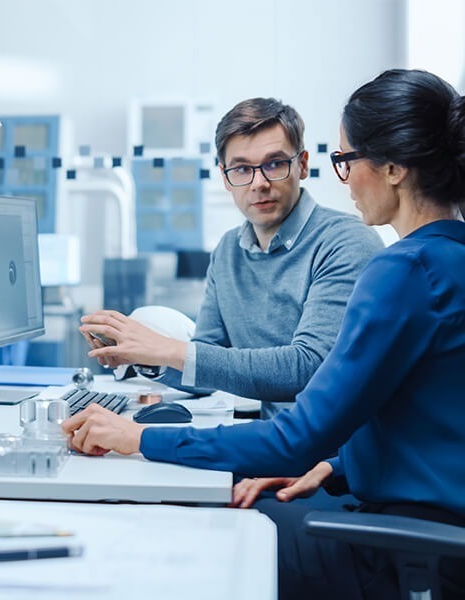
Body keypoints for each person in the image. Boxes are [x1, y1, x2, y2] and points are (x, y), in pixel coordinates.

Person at [65, 69, 465, 600]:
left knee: (199, 531)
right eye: (241, 169)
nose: (342, 178)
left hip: (413, 547)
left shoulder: (401, 268)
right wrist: (334, 467)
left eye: (344, 161)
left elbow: (297, 424)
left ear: (392, 168)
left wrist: (137, 438)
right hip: (418, 518)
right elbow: (430, 418)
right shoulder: (447, 256)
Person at [84, 98, 383, 417]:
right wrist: (143, 357)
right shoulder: (228, 251)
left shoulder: (346, 242)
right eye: (242, 169)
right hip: (277, 442)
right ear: (225, 177)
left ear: (303, 165)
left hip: (330, 456)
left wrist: (169, 349)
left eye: (275, 164)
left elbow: (308, 369)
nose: (259, 183)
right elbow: (207, 367)